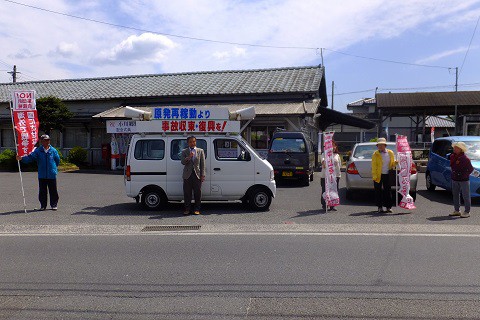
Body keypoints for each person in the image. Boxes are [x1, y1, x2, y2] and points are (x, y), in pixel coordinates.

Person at [16, 134, 61, 211]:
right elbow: (30, 158)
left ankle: (54, 205)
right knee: (42, 191)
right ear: (41, 142)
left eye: (47, 140)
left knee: (53, 190)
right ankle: (43, 206)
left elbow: (57, 160)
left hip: (51, 174)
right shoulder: (38, 151)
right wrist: (21, 158)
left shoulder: (53, 150)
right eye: (44, 140)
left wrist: (53, 168)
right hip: (42, 174)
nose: (46, 142)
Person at [181, 136, 206, 215]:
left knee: (197, 193)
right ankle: (187, 209)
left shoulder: (200, 151)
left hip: (197, 175)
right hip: (187, 175)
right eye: (190, 142)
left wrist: (202, 175)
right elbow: (182, 162)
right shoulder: (184, 151)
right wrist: (189, 157)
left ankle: (197, 209)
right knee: (187, 193)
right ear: (188, 143)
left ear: (196, 142)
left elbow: (203, 164)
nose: (192, 143)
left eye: (194, 141)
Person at [449, 142, 474, 218]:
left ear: (460, 149)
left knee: (466, 196)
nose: (454, 149)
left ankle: (467, 211)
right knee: (455, 195)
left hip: (464, 179)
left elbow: (470, 169)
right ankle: (457, 210)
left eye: (456, 147)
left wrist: (464, 175)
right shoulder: (452, 156)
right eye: (454, 147)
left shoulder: (466, 159)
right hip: (454, 178)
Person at [371, 137, 396, 213]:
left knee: (387, 191)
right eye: (379, 145)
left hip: (388, 174)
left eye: (382, 145)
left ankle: (388, 207)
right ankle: (379, 207)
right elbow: (374, 166)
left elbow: (392, 163)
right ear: (377, 146)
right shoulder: (375, 154)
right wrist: (374, 176)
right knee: (378, 191)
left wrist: (396, 163)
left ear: (385, 145)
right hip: (378, 175)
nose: (380, 146)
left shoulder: (390, 153)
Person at [320, 141, 341, 212]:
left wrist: (338, 175)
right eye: (330, 146)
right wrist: (326, 161)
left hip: (335, 176)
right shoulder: (323, 154)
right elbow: (323, 164)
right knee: (325, 190)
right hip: (325, 176)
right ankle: (325, 204)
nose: (332, 148)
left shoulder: (337, 155)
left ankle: (333, 205)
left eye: (334, 146)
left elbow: (339, 166)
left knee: (334, 190)